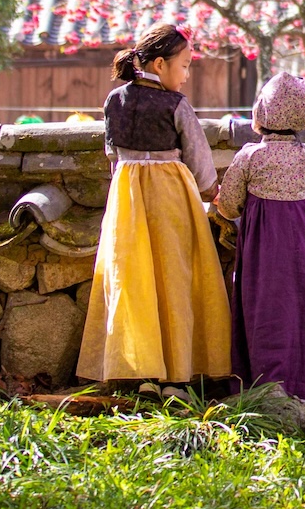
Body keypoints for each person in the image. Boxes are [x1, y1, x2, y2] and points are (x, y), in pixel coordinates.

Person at [76, 24, 232, 386]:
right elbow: (198, 155)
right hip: (170, 194)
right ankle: (179, 371)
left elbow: (112, 153)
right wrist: (212, 192)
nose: (187, 75)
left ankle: (135, 368)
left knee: (133, 277)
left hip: (126, 195)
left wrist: (126, 177)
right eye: (185, 65)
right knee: (175, 276)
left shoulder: (114, 101)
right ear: (160, 64)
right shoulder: (175, 104)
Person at [216, 72, 305, 406]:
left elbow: (227, 205)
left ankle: (261, 387)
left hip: (262, 250)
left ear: (262, 115)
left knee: (265, 308)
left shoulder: (250, 157)